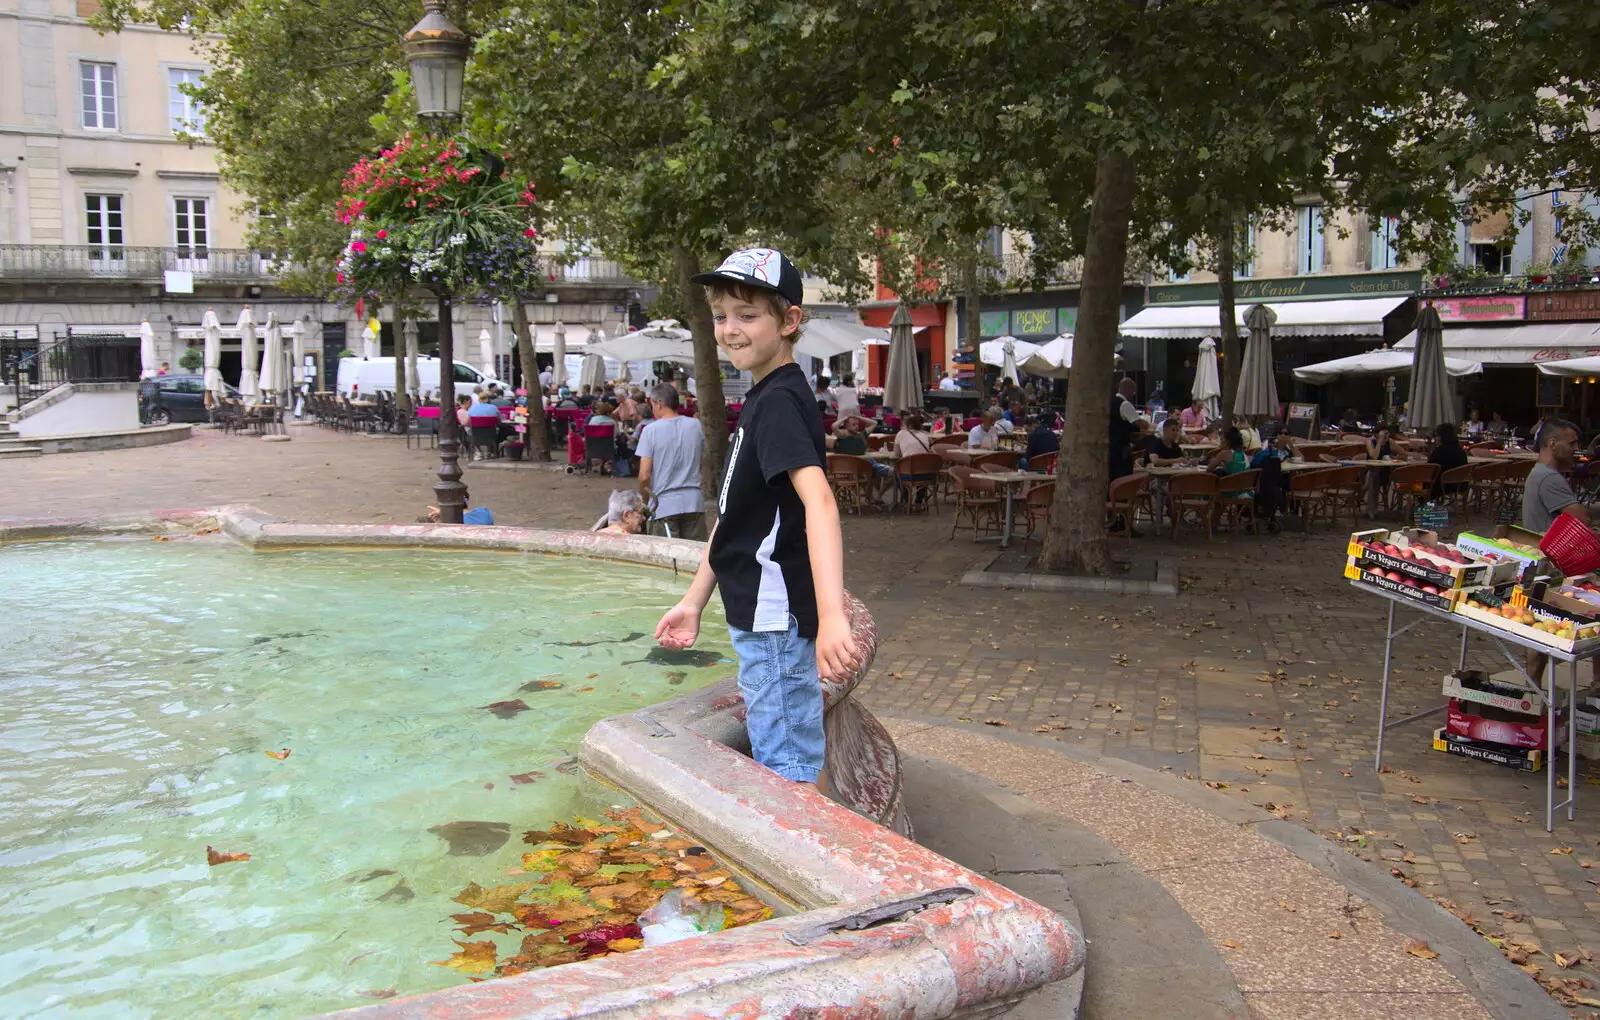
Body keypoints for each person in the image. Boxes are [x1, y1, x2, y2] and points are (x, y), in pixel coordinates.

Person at [658, 247, 858, 794]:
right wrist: (694, 601)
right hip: (759, 615)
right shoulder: (764, 396)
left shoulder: (777, 403)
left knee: (788, 770)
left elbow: (819, 502)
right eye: (721, 315)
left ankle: (807, 869)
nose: (729, 329)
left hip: (775, 620)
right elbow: (734, 516)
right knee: (784, 756)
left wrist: (833, 614)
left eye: (747, 315)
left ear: (789, 321)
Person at [635, 383, 706, 541]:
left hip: (664, 505)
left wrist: (645, 502)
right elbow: (700, 459)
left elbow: (644, 475)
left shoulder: (650, 431)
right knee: (694, 558)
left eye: (652, 404)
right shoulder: (695, 426)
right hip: (694, 502)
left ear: (659, 404)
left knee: (668, 561)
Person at [1524, 418, 1587, 531]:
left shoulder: (1539, 470)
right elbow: (1582, 520)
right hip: (1548, 547)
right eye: (1572, 444)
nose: (1576, 449)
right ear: (1552, 444)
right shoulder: (1549, 477)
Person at [1109, 378, 1144, 481]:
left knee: (1113, 479)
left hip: (1111, 447)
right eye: (1133, 391)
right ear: (1128, 389)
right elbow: (1140, 424)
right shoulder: (1124, 404)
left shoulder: (1110, 402)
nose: (1134, 394)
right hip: (1121, 450)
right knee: (1123, 479)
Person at [1428, 422, 1469, 500]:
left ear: (1442, 437)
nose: (1435, 438)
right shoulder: (1460, 450)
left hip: (1442, 486)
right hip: (1461, 485)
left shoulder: (1439, 451)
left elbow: (1430, 468)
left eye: (1436, 436)